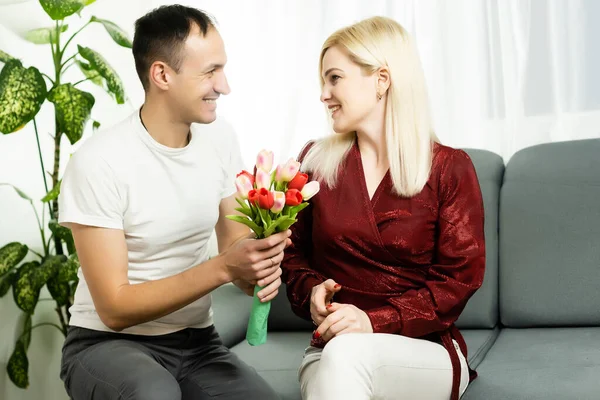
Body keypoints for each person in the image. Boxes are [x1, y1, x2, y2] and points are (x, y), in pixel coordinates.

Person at [57, 5, 285, 400]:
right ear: (162, 74)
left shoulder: (220, 139)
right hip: (105, 343)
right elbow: (114, 308)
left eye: (222, 69)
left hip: (197, 344)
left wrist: (256, 266)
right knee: (153, 394)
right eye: (209, 72)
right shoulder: (99, 162)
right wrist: (224, 267)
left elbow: (234, 249)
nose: (224, 86)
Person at [282, 16, 485, 400]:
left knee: (345, 356)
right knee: (339, 361)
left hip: (425, 350)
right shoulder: (313, 162)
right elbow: (293, 256)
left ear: (381, 79)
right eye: (323, 81)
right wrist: (311, 292)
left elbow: (458, 281)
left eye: (334, 78)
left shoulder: (448, 168)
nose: (324, 94)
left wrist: (372, 321)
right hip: (329, 349)